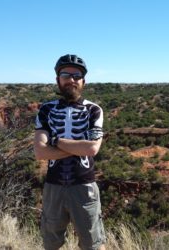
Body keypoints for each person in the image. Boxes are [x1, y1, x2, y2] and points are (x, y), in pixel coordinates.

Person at [34, 54, 106, 250]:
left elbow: (91, 149)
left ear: (84, 81)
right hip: (53, 186)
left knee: (93, 243)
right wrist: (76, 147)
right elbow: (40, 152)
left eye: (77, 75)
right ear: (58, 79)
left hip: (84, 186)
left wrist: (55, 141)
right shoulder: (46, 110)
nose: (71, 80)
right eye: (66, 75)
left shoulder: (94, 110)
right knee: (51, 243)